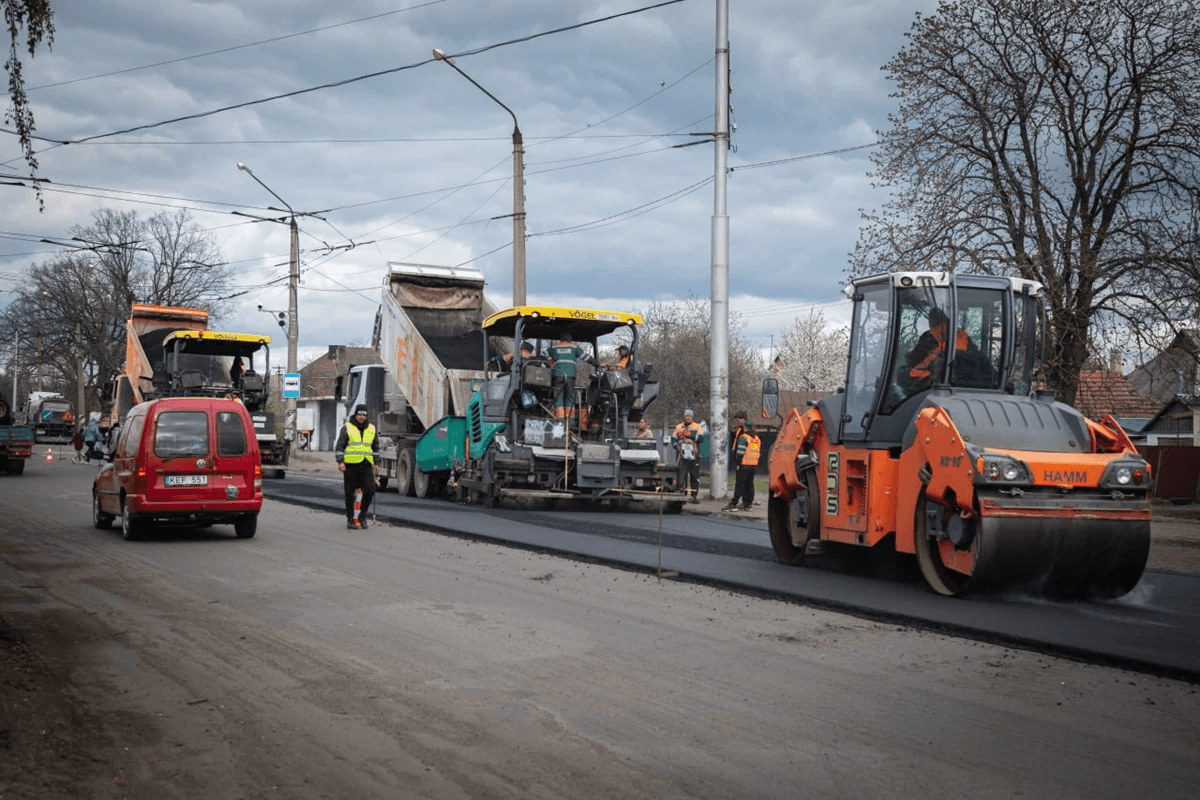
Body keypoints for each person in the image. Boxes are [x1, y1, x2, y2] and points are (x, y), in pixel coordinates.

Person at [903, 307, 971, 390]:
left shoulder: (929, 336)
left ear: (933, 321)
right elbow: (972, 352)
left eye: (930, 319)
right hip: (962, 378)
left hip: (937, 377)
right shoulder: (962, 334)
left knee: (906, 373)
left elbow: (917, 357)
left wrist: (910, 355)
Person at [335, 404, 380, 530]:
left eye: (364, 415)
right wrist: (340, 461)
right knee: (350, 494)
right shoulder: (347, 428)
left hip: (366, 464)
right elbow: (340, 446)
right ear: (355, 415)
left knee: (370, 490)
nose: (361, 417)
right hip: (350, 465)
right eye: (359, 414)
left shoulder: (371, 428)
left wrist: (377, 463)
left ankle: (362, 516)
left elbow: (376, 447)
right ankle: (350, 519)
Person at [724, 420, 761, 511]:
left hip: (744, 464)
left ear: (745, 427)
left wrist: (737, 463)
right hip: (753, 465)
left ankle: (734, 503)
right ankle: (748, 504)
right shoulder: (757, 439)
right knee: (750, 484)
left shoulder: (743, 437)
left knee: (739, 484)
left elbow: (740, 452)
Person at [672, 408, 704, 502]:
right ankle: (683, 494)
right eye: (686, 416)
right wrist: (676, 446)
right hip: (681, 453)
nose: (688, 418)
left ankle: (694, 496)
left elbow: (701, 439)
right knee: (682, 474)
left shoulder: (697, 426)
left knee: (694, 475)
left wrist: (690, 435)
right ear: (684, 417)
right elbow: (673, 439)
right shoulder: (679, 426)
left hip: (694, 453)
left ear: (692, 417)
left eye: (689, 416)